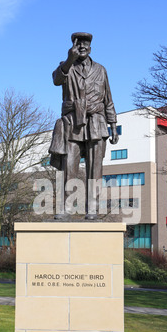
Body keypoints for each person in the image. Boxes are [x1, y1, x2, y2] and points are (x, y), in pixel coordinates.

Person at [49, 32, 119, 219]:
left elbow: (108, 99)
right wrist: (69, 59)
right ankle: (66, 208)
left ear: (90, 47)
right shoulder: (67, 67)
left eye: (85, 44)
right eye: (78, 44)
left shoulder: (101, 69)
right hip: (73, 122)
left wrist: (113, 124)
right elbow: (56, 80)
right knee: (69, 167)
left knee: (95, 169)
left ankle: (92, 210)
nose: (82, 47)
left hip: (96, 121)